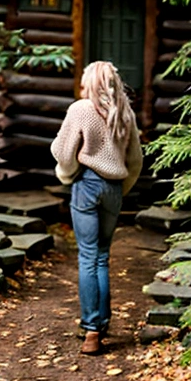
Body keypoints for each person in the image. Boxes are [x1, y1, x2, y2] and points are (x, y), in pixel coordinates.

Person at [51, 60, 143, 356]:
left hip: (87, 185)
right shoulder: (125, 113)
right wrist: (119, 189)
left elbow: (62, 152)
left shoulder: (81, 109)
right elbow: (135, 160)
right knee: (102, 256)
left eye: (83, 82)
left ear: (91, 83)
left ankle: (91, 330)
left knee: (88, 256)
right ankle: (101, 325)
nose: (80, 87)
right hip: (113, 189)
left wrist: (67, 174)